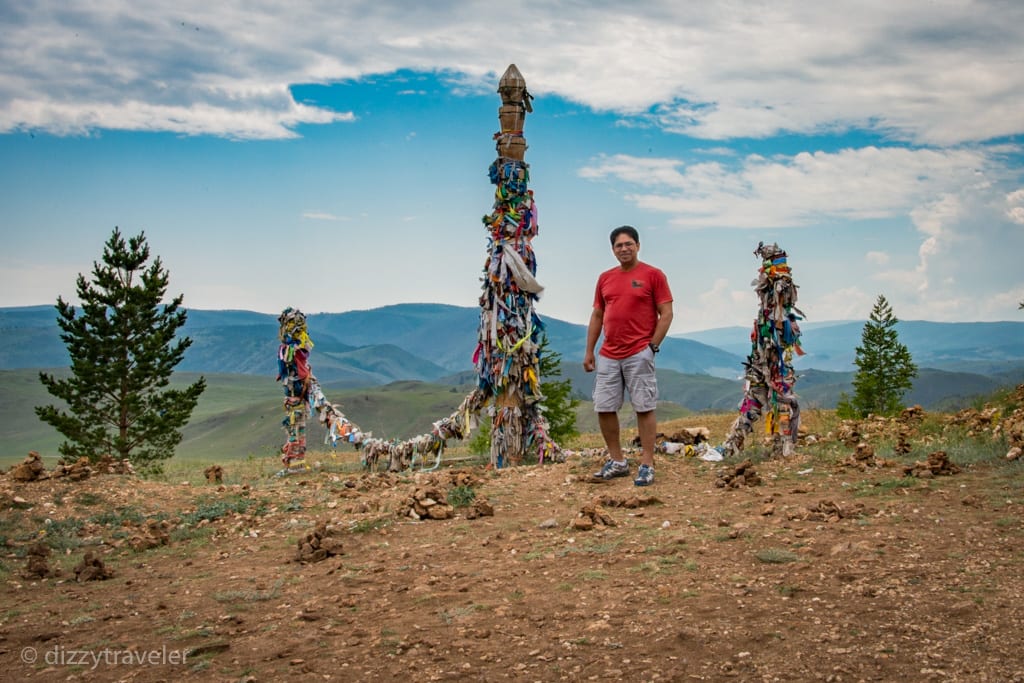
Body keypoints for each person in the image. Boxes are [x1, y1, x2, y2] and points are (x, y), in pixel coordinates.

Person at [583, 226, 674, 486]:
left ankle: (647, 463)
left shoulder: (653, 275)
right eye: (618, 245)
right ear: (613, 249)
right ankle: (618, 461)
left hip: (639, 352)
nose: (624, 249)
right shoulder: (605, 278)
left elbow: (665, 314)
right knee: (604, 406)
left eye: (628, 244)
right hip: (609, 353)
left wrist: (652, 347)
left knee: (644, 406)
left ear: (638, 245)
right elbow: (598, 315)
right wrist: (590, 350)